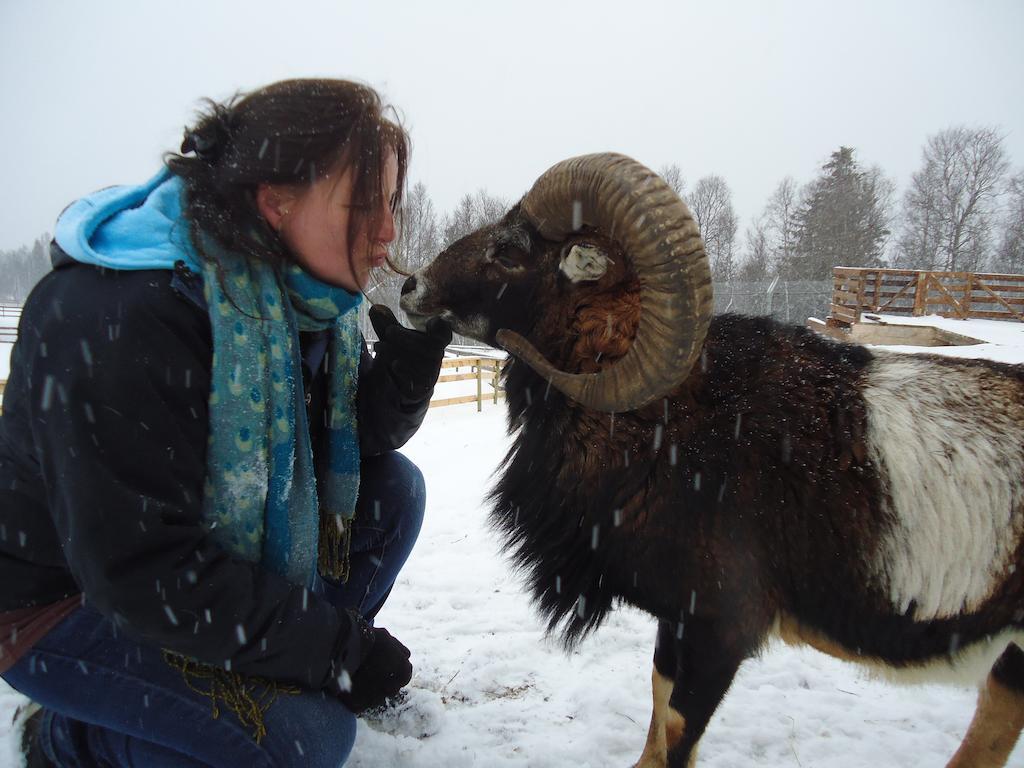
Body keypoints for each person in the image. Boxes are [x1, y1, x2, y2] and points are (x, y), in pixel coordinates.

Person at [0, 78, 452, 767]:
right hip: (63, 603)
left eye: (392, 200)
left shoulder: (302, 301)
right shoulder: (120, 315)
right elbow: (142, 571)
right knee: (303, 743)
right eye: (365, 203)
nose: (389, 228)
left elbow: (348, 452)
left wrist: (408, 370)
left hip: (174, 570)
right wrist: (336, 647)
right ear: (274, 202)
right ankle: (70, 738)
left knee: (396, 492)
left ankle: (282, 674)